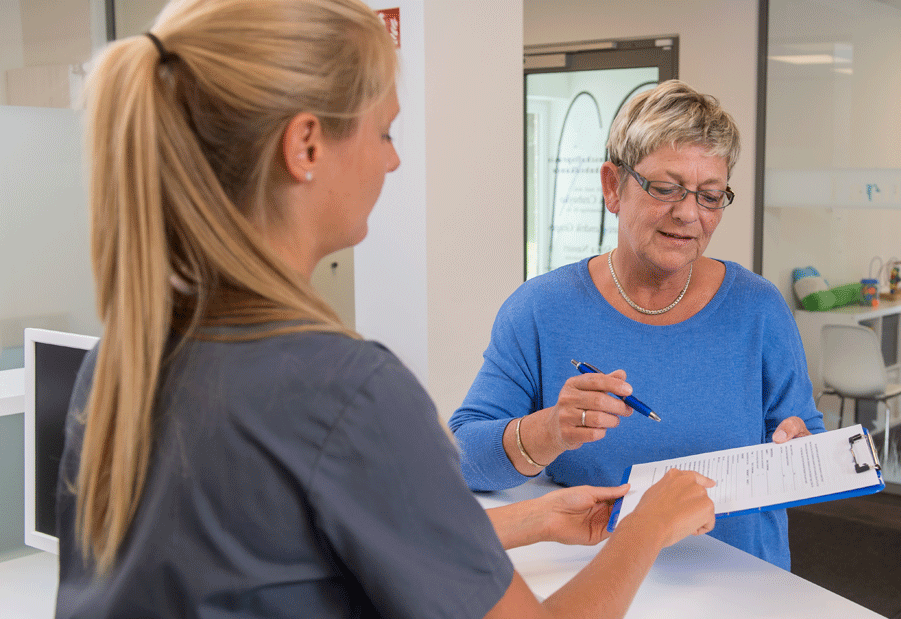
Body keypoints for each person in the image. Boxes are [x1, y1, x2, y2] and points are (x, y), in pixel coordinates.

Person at [54, 1, 718, 617]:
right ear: (306, 144)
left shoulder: (127, 357)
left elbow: (296, 548)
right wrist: (647, 526)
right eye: (385, 130)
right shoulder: (347, 392)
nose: (395, 159)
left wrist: (534, 518)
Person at [449, 79, 826, 570]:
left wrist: (799, 452)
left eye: (710, 196)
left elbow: (806, 440)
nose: (688, 214)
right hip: (598, 587)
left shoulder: (758, 309)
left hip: (741, 586)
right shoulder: (540, 310)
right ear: (613, 186)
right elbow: (462, 459)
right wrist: (551, 430)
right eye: (665, 188)